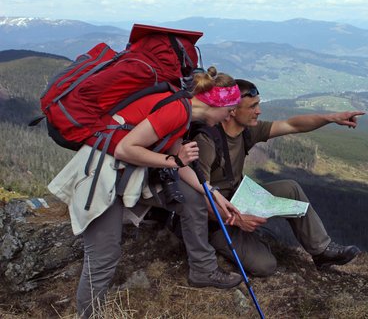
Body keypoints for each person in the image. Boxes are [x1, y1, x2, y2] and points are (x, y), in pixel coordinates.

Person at [48, 67, 243, 318]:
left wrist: (213, 193)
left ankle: (202, 270)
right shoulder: (177, 110)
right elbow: (125, 149)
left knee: (193, 197)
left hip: (125, 174)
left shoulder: (184, 111)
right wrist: (174, 161)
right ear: (216, 104)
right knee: (103, 256)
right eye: (229, 110)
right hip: (101, 175)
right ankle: (87, 315)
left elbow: (176, 158)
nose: (230, 117)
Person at [191, 78, 365, 277]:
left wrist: (331, 118)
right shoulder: (206, 141)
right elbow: (198, 199)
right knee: (266, 265)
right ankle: (236, 241)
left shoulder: (247, 131)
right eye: (252, 106)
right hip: (216, 221)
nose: (259, 111)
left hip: (240, 201)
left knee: (290, 188)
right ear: (231, 110)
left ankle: (322, 251)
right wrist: (236, 220)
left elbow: (293, 125)